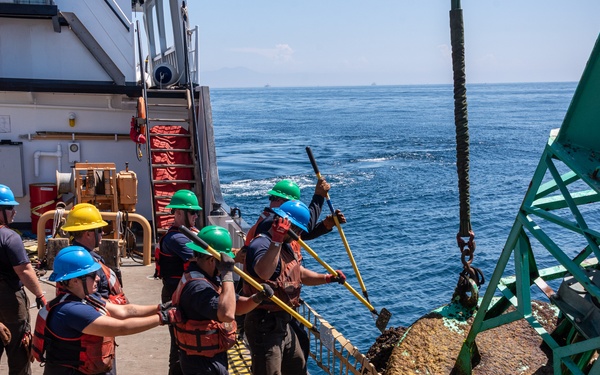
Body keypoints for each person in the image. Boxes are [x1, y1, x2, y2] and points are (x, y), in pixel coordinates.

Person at [32, 246, 179, 375]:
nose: (98, 278)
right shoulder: (72, 311)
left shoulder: (85, 298)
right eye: (91, 275)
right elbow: (120, 328)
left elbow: (124, 311)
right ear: (74, 281)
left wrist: (162, 307)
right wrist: (164, 318)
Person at [243, 200, 347, 375]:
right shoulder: (261, 244)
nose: (298, 235)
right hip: (264, 325)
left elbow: (298, 273)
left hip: (284, 321)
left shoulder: (286, 246)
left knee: (297, 365)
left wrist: (327, 278)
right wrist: (276, 240)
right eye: (297, 230)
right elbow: (264, 272)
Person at [172, 225, 273, 375]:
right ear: (213, 260)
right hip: (201, 364)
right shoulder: (197, 287)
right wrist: (227, 274)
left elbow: (236, 306)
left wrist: (256, 298)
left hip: (212, 358)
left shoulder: (208, 279)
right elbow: (227, 314)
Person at [154, 189, 202, 375]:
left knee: (185, 340)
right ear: (179, 213)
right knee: (179, 343)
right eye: (193, 212)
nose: (196, 216)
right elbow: (201, 257)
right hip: (175, 294)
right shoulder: (177, 238)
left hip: (183, 292)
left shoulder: (187, 233)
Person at [0, 184, 46, 375]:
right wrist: (39, 294)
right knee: (19, 349)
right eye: (10, 207)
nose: (14, 211)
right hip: (9, 300)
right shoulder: (10, 237)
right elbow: (25, 271)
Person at [244, 178, 346, 247]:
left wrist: (326, 225)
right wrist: (319, 196)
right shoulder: (271, 222)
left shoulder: (279, 222)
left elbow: (301, 234)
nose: (272, 201)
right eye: (272, 198)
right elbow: (306, 227)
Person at [60, 203, 127, 305]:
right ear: (88, 234)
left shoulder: (69, 259)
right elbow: (88, 301)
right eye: (99, 230)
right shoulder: (87, 264)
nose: (103, 233)